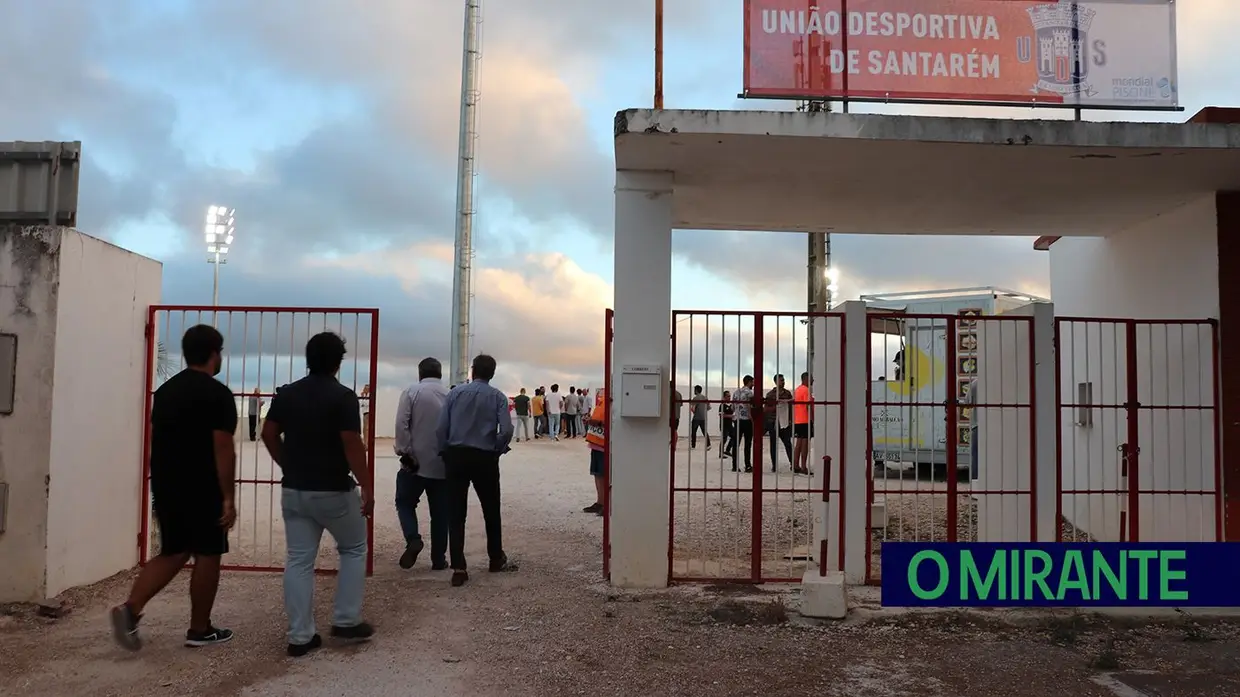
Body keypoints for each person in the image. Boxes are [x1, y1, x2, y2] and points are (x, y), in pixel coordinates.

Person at [110, 325, 237, 651]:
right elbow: (223, 448)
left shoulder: (165, 392)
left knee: (174, 550)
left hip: (168, 484)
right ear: (214, 353)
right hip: (204, 486)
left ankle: (131, 609)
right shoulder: (218, 395)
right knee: (209, 552)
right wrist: (228, 497)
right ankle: (199, 629)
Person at [262, 332, 374, 657]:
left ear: (308, 359)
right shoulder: (343, 397)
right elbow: (351, 442)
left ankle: (300, 636)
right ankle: (346, 618)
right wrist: (366, 485)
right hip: (333, 489)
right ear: (338, 362)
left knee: (299, 559)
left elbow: (269, 433)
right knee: (353, 548)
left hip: (295, 489)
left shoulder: (288, 394)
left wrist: (288, 463)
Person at [436, 354, 519, 587]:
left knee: (456, 512)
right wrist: (497, 449)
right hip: (485, 458)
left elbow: (441, 427)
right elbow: (507, 429)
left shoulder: (454, 393)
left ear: (472, 371)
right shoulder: (498, 397)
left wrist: (444, 450)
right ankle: (495, 558)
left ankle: (459, 567)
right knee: (491, 509)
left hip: (457, 456)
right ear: (492, 373)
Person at [393, 357, 451, 572]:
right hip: (443, 465)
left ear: (420, 373)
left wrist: (404, 450)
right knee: (440, 513)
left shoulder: (411, 392)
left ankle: (413, 539)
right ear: (440, 374)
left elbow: (402, 423)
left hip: (414, 464)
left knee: (405, 503)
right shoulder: (450, 395)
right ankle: (438, 559)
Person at [582, 389, 607, 515]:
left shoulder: (613, 403)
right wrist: (590, 420)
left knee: (604, 474)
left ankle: (606, 504)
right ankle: (600, 502)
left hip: (604, 445)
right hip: (596, 443)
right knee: (597, 473)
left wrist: (597, 422)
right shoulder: (602, 402)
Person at [765, 374, 794, 472]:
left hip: (784, 422)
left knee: (788, 444)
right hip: (773, 422)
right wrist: (775, 408)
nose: (783, 382)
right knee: (773, 445)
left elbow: (790, 407)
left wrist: (790, 420)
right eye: (781, 380)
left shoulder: (787, 394)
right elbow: (766, 409)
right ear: (776, 382)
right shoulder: (770, 394)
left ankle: (793, 464)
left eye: (784, 380)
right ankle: (774, 465)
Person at [731, 376, 756, 473]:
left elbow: (733, 407)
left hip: (737, 419)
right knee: (747, 444)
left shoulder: (736, 392)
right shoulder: (749, 392)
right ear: (749, 382)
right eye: (752, 382)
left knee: (736, 444)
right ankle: (748, 465)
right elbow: (753, 405)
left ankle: (734, 465)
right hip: (746, 420)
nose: (753, 384)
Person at [792, 372, 813, 475]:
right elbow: (808, 406)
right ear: (806, 379)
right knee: (805, 444)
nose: (813, 381)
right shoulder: (806, 390)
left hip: (797, 420)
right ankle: (804, 466)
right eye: (811, 378)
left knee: (798, 443)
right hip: (805, 420)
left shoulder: (797, 389)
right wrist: (813, 419)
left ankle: (795, 465)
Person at [688, 385, 711, 450]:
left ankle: (693, 446)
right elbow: (709, 408)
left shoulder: (695, 398)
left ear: (696, 390)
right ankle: (708, 445)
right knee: (704, 431)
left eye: (694, 390)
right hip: (703, 417)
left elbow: (693, 408)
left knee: (693, 431)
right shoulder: (705, 397)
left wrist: (695, 411)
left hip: (696, 418)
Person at [718, 390, 736, 460]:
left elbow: (733, 411)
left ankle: (727, 450)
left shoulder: (731, 405)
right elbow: (721, 415)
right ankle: (720, 453)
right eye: (728, 396)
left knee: (734, 437)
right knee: (724, 439)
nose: (729, 397)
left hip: (730, 425)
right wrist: (731, 416)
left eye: (730, 396)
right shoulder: (722, 405)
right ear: (724, 397)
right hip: (724, 425)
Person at [669, 381, 684, 447]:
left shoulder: (666, 393)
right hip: (677, 416)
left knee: (669, 431)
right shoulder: (679, 394)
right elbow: (680, 404)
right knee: (674, 430)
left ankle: (672, 444)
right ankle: (673, 444)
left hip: (669, 416)